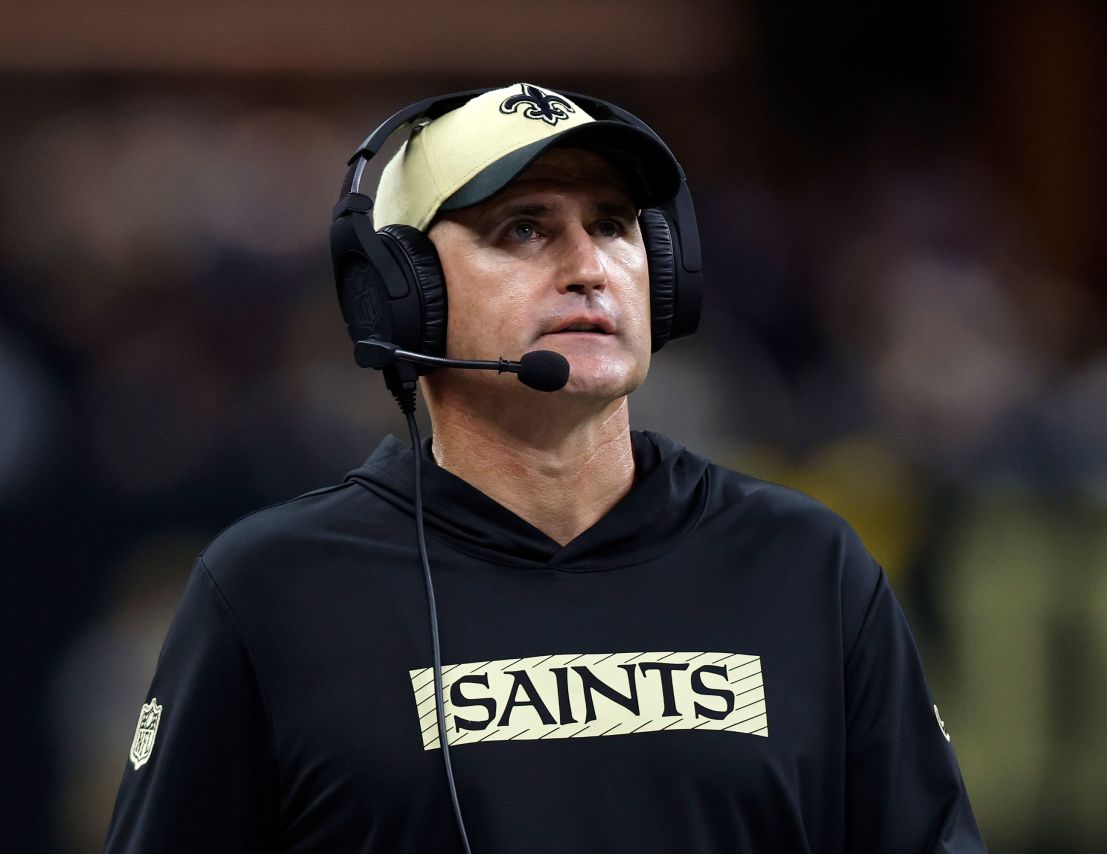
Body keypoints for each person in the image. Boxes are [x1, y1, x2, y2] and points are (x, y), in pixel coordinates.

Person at [104, 82, 985, 853]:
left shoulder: (806, 566)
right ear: (402, 291)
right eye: (523, 228)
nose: (589, 267)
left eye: (612, 225)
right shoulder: (272, 589)